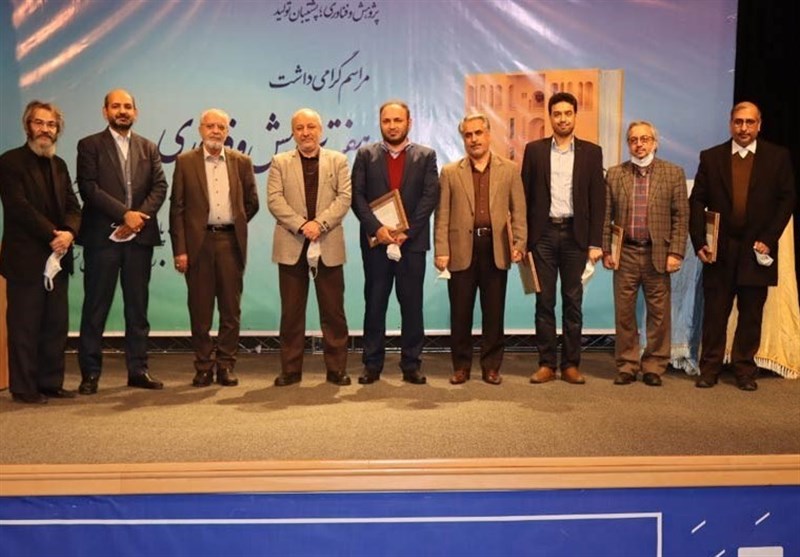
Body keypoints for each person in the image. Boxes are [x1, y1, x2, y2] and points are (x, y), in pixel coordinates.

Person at [689, 101, 795, 391]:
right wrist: (699, 241)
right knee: (715, 314)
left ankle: (744, 370)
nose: (743, 128)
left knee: (751, 315)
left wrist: (769, 239)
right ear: (730, 124)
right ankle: (709, 369)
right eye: (738, 122)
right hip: (719, 251)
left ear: (759, 125)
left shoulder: (777, 157)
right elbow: (697, 200)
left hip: (757, 250)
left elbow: (787, 199)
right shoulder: (711, 157)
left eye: (749, 122)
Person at [76, 89, 168, 394]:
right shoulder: (89, 145)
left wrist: (137, 218)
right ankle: (90, 374)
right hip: (102, 239)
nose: (122, 111)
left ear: (135, 112)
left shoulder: (148, 147)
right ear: (105, 112)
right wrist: (124, 214)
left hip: (138, 239)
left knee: (137, 309)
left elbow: (160, 186)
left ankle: (138, 370)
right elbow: (89, 189)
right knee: (95, 308)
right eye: (116, 106)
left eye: (128, 106)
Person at [169, 108, 259, 387]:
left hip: (230, 242)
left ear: (227, 131)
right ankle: (204, 366)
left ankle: (226, 365)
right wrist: (180, 250)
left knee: (231, 310)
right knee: (200, 310)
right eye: (210, 126)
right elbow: (177, 209)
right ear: (200, 130)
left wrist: (235, 223)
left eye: (221, 127)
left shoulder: (241, 162)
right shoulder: (185, 162)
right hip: (198, 244)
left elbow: (251, 203)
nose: (216, 131)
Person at [434, 114, 526, 385]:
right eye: (468, 135)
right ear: (463, 139)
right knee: (460, 313)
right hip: (461, 250)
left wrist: (519, 243)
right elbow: (442, 215)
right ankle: (461, 366)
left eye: (478, 133)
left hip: (496, 249)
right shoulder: (450, 172)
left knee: (494, 313)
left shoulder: (509, 170)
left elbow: (519, 211)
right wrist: (441, 249)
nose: (473, 139)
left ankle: (491, 366)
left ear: (488, 135)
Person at [351, 100, 439, 385]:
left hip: (411, 245)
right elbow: (357, 197)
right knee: (375, 305)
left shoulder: (426, 156)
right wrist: (377, 229)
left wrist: (407, 232)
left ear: (409, 123)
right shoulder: (365, 155)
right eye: (386, 121)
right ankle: (372, 364)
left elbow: (430, 197)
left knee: (412, 307)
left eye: (397, 120)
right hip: (377, 244)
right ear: (380, 123)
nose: (392, 126)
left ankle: (411, 364)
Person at [0, 100, 82, 404]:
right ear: (28, 126)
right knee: (25, 326)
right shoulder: (10, 162)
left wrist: (70, 232)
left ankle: (50, 383)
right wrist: (53, 236)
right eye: (39, 123)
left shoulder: (59, 165)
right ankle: (24, 387)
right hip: (26, 259)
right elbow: (19, 207)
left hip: (57, 259)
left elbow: (73, 206)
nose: (45, 129)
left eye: (51, 124)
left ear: (57, 130)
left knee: (55, 325)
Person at [521, 91, 605, 385]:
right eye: (557, 114)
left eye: (568, 113)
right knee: (544, 302)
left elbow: (598, 200)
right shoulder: (534, 151)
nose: (563, 119)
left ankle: (570, 364)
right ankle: (546, 364)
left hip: (575, 236)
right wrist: (524, 241)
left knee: (572, 301)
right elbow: (524, 197)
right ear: (550, 117)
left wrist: (595, 242)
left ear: (575, 116)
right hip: (542, 236)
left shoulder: (592, 152)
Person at [267, 108, 352, 386]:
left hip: (328, 244)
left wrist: (320, 224)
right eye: (300, 128)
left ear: (320, 129)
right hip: (292, 244)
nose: (306, 133)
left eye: (311, 127)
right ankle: (290, 370)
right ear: (293, 132)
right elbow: (274, 200)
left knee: (333, 312)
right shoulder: (279, 162)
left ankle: (336, 369)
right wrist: (303, 225)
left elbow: (344, 198)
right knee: (291, 313)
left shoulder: (338, 160)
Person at [602, 121, 689, 386]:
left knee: (659, 314)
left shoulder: (673, 173)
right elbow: (606, 216)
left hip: (658, 253)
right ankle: (627, 365)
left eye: (644, 139)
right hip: (625, 253)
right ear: (628, 144)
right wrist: (607, 250)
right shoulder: (615, 174)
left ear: (655, 143)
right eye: (633, 140)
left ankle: (654, 365)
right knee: (624, 313)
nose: (639, 144)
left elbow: (681, 217)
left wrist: (676, 252)